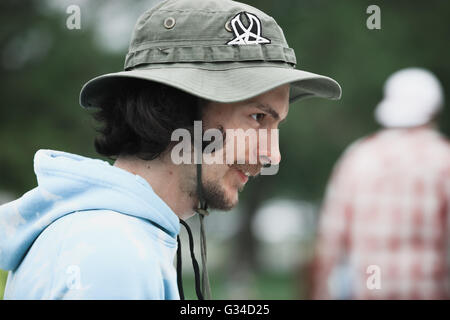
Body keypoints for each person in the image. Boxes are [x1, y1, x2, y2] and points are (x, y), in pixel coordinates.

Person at [0, 0, 341, 299]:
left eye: (276, 125)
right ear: (177, 108)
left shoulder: (110, 235)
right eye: (257, 117)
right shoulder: (114, 254)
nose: (272, 155)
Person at [310, 68, 450, 299]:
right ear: (434, 112)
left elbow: (331, 238)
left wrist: (321, 291)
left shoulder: (358, 157)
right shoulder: (444, 159)